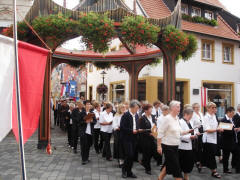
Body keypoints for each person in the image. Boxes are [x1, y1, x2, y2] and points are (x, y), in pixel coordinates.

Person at [157, 100, 193, 180]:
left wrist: (188, 131)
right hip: (168, 147)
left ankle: (159, 178)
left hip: (176, 146)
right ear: (172, 108)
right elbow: (160, 133)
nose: (179, 108)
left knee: (167, 166)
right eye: (178, 107)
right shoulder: (167, 119)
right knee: (177, 169)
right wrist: (159, 146)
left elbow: (179, 132)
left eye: (179, 106)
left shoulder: (177, 118)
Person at [202, 102, 223, 178]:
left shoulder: (214, 116)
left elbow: (217, 126)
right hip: (208, 139)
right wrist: (217, 129)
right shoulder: (206, 117)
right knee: (211, 156)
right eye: (212, 107)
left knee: (209, 155)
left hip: (214, 138)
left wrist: (220, 129)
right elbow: (207, 130)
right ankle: (214, 171)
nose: (214, 109)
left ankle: (201, 164)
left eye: (215, 107)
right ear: (208, 108)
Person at [120, 100, 141, 178]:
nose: (137, 110)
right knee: (129, 155)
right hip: (126, 138)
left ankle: (129, 172)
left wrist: (138, 129)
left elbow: (136, 125)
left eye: (138, 108)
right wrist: (132, 131)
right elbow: (122, 127)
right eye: (136, 108)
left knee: (132, 156)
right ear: (131, 107)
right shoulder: (125, 115)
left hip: (134, 138)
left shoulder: (136, 115)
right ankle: (124, 170)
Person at [139, 104, 160, 175]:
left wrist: (156, 131)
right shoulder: (142, 118)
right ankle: (148, 169)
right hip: (145, 138)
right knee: (147, 153)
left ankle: (143, 161)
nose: (152, 110)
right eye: (150, 109)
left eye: (152, 109)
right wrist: (149, 133)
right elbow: (141, 130)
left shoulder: (154, 117)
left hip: (153, 137)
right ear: (146, 110)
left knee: (154, 152)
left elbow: (156, 126)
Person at [179, 108, 198, 180]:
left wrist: (196, 133)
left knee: (188, 163)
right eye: (191, 115)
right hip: (182, 147)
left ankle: (186, 176)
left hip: (190, 146)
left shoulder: (190, 122)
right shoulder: (180, 122)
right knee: (182, 163)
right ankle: (180, 177)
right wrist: (190, 137)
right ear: (186, 114)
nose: (191, 117)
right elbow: (179, 135)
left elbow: (192, 131)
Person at [221, 107, 240, 174]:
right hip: (226, 142)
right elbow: (224, 131)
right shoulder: (224, 119)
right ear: (228, 112)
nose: (233, 114)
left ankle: (237, 169)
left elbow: (232, 128)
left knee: (237, 154)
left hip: (233, 141)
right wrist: (234, 129)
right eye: (232, 113)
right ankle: (225, 169)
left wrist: (236, 129)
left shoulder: (232, 119)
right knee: (226, 157)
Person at [79, 100, 96, 165]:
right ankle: (84, 159)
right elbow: (79, 122)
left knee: (89, 145)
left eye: (89, 104)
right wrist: (85, 122)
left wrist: (92, 121)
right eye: (87, 104)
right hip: (84, 132)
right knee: (84, 145)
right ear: (84, 105)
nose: (88, 105)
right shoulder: (81, 113)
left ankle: (87, 157)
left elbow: (95, 122)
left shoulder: (92, 113)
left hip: (90, 132)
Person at [191, 103, 204, 172]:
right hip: (196, 131)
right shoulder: (192, 115)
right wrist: (196, 132)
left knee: (201, 147)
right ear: (193, 108)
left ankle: (200, 161)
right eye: (196, 107)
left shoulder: (201, 113)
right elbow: (192, 125)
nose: (198, 108)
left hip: (202, 131)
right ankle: (197, 161)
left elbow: (203, 122)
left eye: (198, 107)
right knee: (197, 147)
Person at [233, 104, 240, 173]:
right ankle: (237, 168)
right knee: (237, 153)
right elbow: (235, 127)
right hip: (237, 137)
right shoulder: (236, 116)